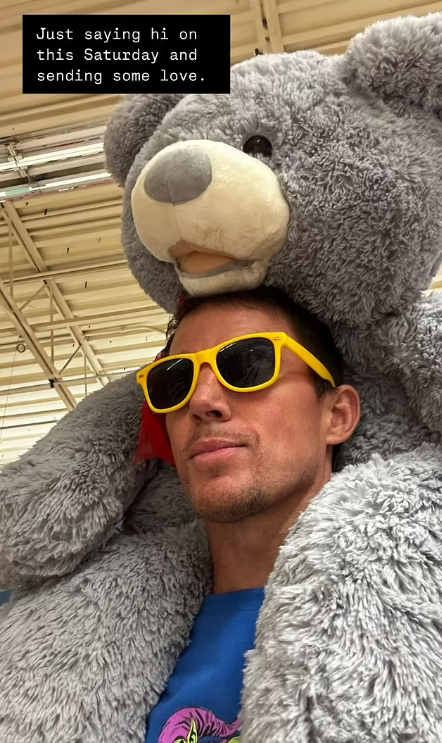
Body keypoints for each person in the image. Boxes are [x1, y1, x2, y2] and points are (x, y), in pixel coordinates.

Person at [136, 285, 361, 743]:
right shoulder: (71, 629)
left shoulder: (418, 611)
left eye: (248, 364)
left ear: (336, 415)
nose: (202, 401)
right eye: (174, 382)